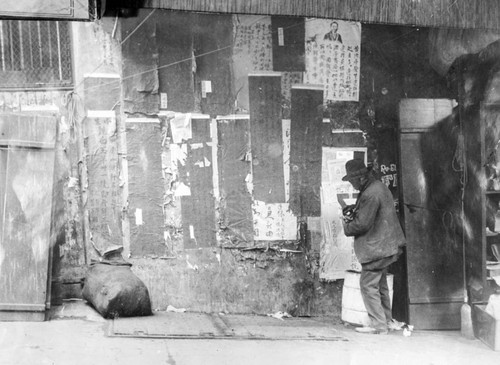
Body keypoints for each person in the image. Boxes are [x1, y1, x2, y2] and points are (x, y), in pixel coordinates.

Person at [337, 159, 406, 334]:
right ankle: (387, 321)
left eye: (352, 181)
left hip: (377, 249)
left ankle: (379, 325)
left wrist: (346, 223)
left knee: (368, 285)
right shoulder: (377, 187)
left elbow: (362, 225)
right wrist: (355, 208)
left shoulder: (370, 193)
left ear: (360, 178)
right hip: (387, 246)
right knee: (380, 284)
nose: (352, 185)